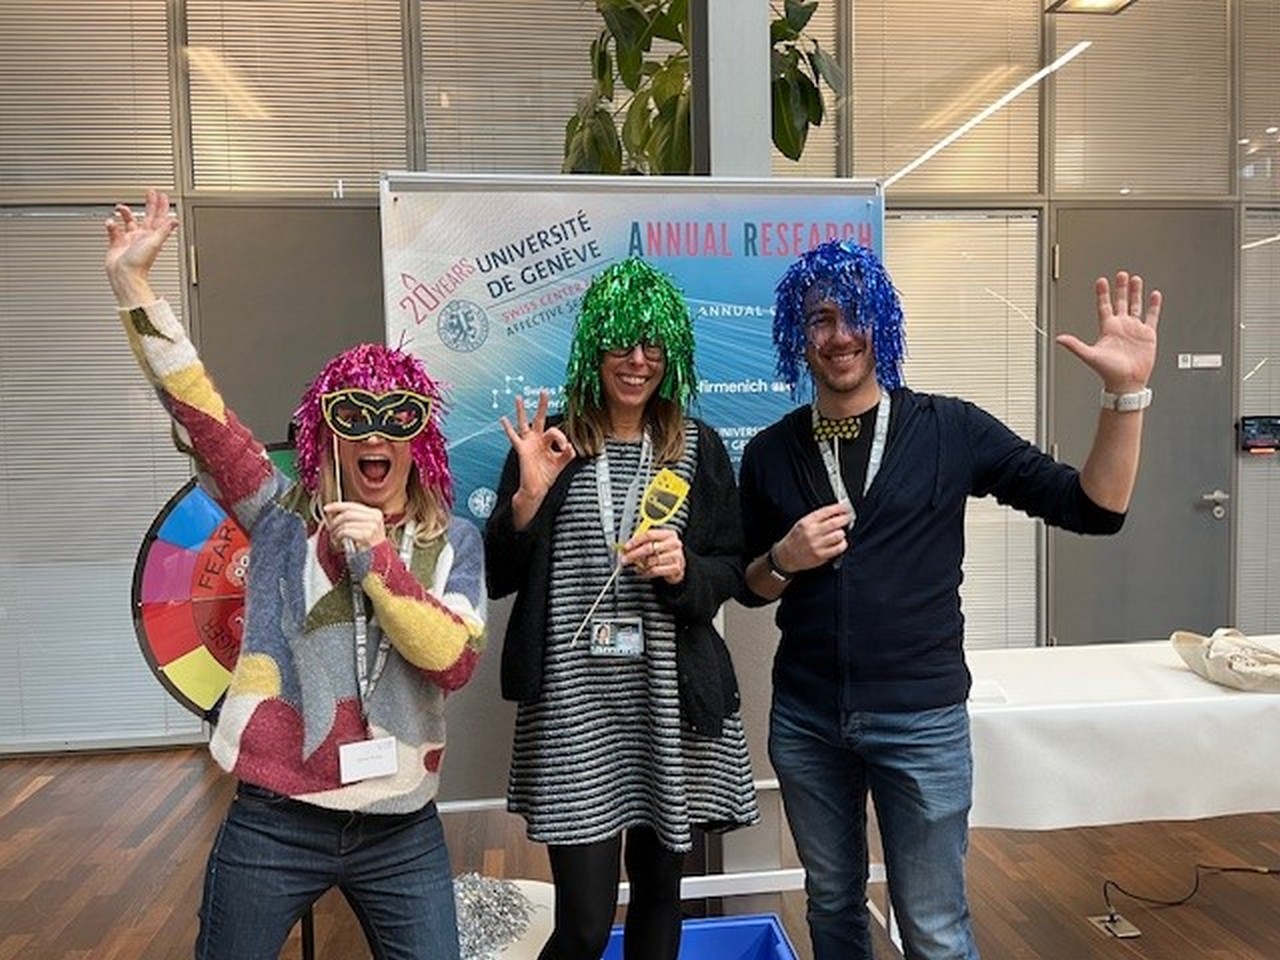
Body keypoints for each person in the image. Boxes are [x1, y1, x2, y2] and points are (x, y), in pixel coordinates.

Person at [738, 240, 1160, 960]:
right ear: (797, 335)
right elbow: (750, 588)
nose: (839, 335)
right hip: (807, 720)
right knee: (831, 904)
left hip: (920, 720)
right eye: (820, 319)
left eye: (855, 314)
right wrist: (783, 558)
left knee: (934, 928)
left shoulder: (949, 429)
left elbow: (1093, 508)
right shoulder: (771, 452)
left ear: (883, 322)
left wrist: (1125, 398)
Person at [104, 190, 486, 960]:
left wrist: (376, 561)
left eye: (397, 418)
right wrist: (134, 287)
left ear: (419, 441)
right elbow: (204, 418)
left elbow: (454, 661)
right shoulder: (280, 517)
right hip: (276, 816)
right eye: (354, 416)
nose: (375, 435)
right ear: (325, 434)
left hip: (400, 824)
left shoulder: (453, 542)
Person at [485, 258, 759, 959]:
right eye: (620, 343)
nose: (638, 361)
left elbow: (730, 569)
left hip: (666, 701)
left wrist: (685, 569)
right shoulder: (550, 445)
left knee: (662, 900)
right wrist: (527, 498)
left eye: (653, 344)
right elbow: (497, 574)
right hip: (573, 707)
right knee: (583, 925)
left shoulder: (696, 447)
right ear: (592, 348)